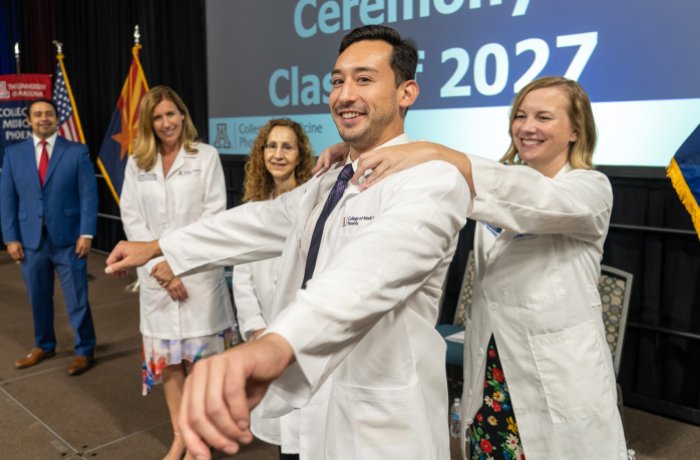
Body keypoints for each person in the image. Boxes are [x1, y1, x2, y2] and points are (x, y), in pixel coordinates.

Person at [105, 25, 469, 460]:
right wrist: (160, 246)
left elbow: (367, 275)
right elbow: (257, 221)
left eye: (364, 79)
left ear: (406, 93)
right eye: (338, 80)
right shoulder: (332, 180)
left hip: (380, 422)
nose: (345, 94)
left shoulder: (432, 181)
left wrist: (276, 344)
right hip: (317, 404)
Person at [319, 76, 627, 459]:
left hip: (559, 374)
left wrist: (434, 150)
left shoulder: (590, 189)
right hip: (495, 368)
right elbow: (431, 181)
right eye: (520, 115)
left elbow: (534, 201)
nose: (527, 127)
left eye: (543, 117)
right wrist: (355, 154)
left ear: (576, 130)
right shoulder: (496, 181)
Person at [119, 86, 237, 460]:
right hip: (159, 283)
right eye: (158, 117)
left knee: (200, 366)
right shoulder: (137, 163)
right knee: (170, 364)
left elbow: (213, 217)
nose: (166, 122)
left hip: (197, 278)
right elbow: (132, 218)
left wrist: (178, 263)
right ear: (148, 124)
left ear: (183, 116)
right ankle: (180, 437)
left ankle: (199, 438)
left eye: (171, 114)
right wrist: (159, 268)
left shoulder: (206, 156)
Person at [233, 118, 314, 460]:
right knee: (284, 439)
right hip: (266, 334)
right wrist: (256, 327)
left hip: (305, 337)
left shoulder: (314, 205)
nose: (278, 154)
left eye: (287, 146)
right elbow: (241, 276)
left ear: (300, 156)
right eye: (272, 146)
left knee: (311, 431)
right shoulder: (251, 209)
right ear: (261, 153)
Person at [1, 98, 98, 376]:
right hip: (30, 241)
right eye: (38, 114)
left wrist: (86, 233)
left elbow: (89, 196)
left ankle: (84, 350)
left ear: (57, 119)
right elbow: (7, 199)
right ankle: (44, 345)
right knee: (38, 298)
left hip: (70, 239)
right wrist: (11, 238)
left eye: (49, 114)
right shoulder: (13, 154)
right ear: (28, 121)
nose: (44, 118)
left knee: (77, 299)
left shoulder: (77, 152)